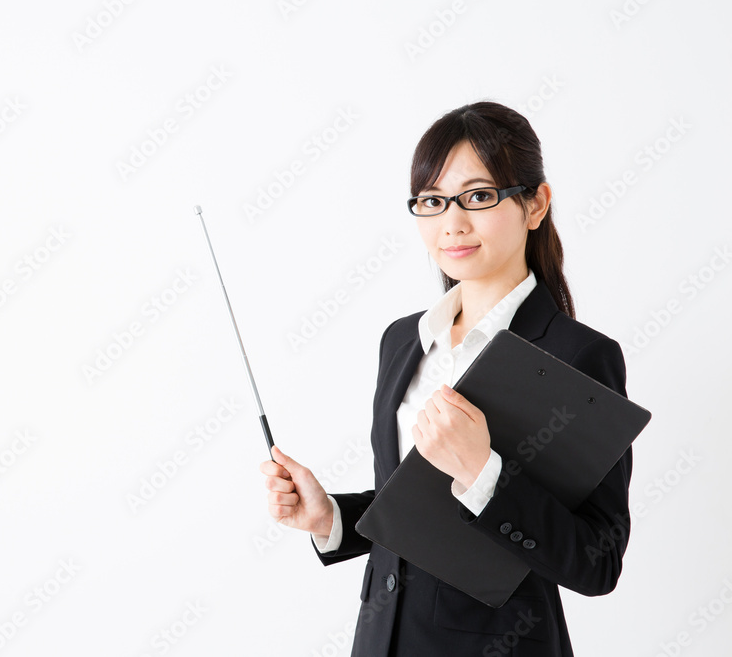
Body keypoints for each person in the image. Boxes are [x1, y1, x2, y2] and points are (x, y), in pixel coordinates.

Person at [259, 101, 633, 656]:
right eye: (432, 202)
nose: (452, 222)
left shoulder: (578, 355)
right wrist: (331, 516)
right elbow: (418, 508)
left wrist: (483, 472)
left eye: (479, 197)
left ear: (536, 203)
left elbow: (596, 561)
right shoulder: (402, 340)